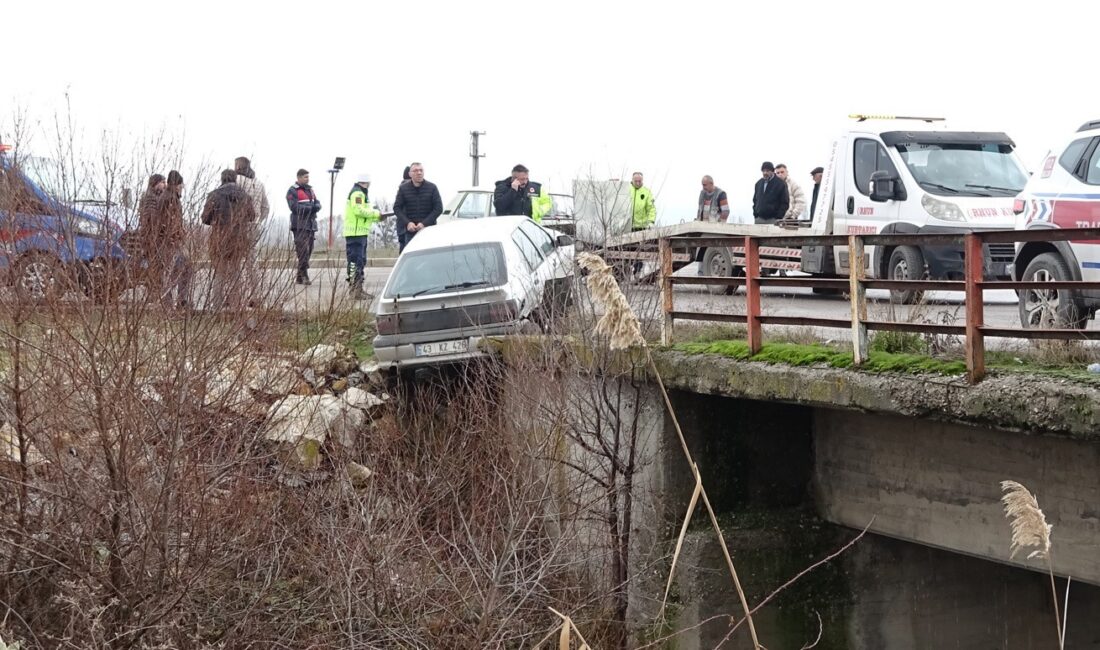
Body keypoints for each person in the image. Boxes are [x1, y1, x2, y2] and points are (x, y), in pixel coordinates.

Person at [201, 169, 257, 310]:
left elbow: (205, 219)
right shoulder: (245, 196)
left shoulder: (214, 195)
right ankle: (234, 307)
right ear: (235, 179)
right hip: (238, 239)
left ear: (222, 179)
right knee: (235, 273)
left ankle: (216, 307)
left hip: (219, 238)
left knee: (219, 274)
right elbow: (252, 216)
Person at [148, 170, 191, 309]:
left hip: (166, 241)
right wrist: (177, 237)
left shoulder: (167, 197)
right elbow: (170, 223)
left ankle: (171, 301)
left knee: (173, 271)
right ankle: (179, 301)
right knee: (181, 270)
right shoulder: (171, 199)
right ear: (177, 185)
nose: (182, 188)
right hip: (171, 242)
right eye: (181, 185)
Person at [234, 156, 269, 304]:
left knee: (234, 261)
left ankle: (236, 297)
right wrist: (258, 220)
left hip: (238, 226)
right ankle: (256, 296)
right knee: (252, 262)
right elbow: (266, 207)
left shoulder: (237, 181)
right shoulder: (259, 183)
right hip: (254, 226)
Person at [344, 174, 385, 300]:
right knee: (356, 262)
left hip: (358, 233)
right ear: (367, 182)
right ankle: (355, 290)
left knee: (357, 262)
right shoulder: (358, 194)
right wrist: (377, 214)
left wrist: (376, 217)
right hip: (356, 233)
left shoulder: (359, 193)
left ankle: (356, 288)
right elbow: (359, 211)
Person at [393, 162, 442, 251]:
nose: (419, 173)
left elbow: (438, 208)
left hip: (429, 230)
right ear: (410, 174)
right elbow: (397, 208)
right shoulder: (403, 189)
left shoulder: (432, 187)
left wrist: (424, 223)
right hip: (410, 232)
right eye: (415, 170)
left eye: (421, 170)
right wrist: (408, 223)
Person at [286, 168, 321, 285]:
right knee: (302, 251)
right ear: (299, 178)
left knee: (309, 250)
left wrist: (316, 206)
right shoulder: (292, 191)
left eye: (308, 177)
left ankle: (299, 276)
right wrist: (310, 208)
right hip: (299, 225)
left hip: (311, 225)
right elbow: (294, 207)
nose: (308, 179)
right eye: (305, 177)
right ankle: (304, 275)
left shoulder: (310, 190)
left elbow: (317, 202)